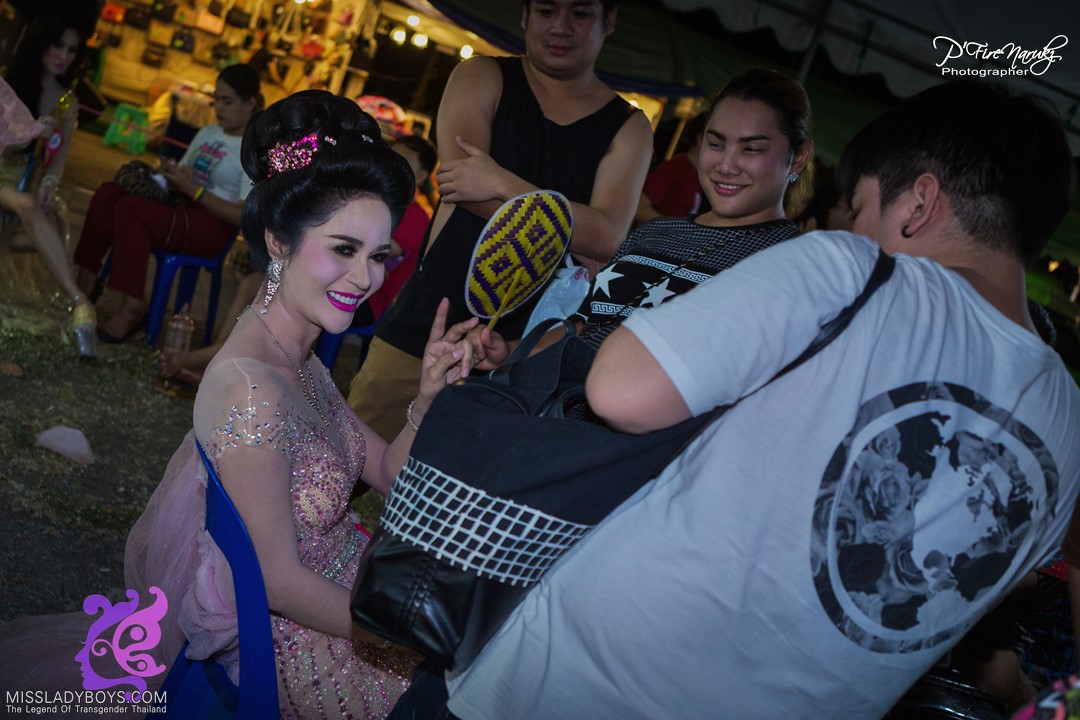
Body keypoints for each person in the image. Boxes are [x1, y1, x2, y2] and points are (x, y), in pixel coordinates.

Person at [400, 79, 1080, 719]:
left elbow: (618, 391)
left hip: (577, 677)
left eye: (863, 209)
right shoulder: (1067, 417)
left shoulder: (849, 271)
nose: (857, 230)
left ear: (918, 202)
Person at [0, 90, 474, 719]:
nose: (366, 279)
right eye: (343, 249)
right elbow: (276, 579)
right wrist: (406, 632)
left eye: (378, 255)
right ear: (278, 241)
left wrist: (427, 398)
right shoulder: (254, 387)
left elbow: (387, 471)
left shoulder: (298, 360)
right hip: (298, 646)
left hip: (349, 596)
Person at [347, 0, 654, 442]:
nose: (560, 26)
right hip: (429, 319)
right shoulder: (482, 76)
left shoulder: (628, 126)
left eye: (580, 13)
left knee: (464, 478)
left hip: (526, 353)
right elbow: (460, 183)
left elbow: (607, 236)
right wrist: (573, 224)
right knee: (356, 458)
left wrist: (500, 180)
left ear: (609, 20)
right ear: (525, 15)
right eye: (546, 10)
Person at [458, 67, 813, 367]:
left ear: (797, 157)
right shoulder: (653, 233)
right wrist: (511, 352)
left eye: (752, 149)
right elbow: (584, 328)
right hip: (550, 415)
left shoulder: (793, 268)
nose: (725, 165)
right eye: (716, 144)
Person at [73, 64, 262, 344]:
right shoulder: (209, 131)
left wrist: (195, 190)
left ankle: (132, 307)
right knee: (108, 193)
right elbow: (184, 174)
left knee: (131, 210)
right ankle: (84, 286)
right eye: (216, 100)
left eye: (227, 101)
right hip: (182, 205)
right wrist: (170, 175)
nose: (219, 108)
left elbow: (243, 215)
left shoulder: (254, 148)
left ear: (250, 103)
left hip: (211, 227)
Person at [0, 13, 93, 356]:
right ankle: (80, 300)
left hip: (25, 186)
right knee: (26, 206)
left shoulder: (67, 101)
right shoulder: (7, 84)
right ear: (40, 43)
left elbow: (59, 159)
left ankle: (78, 304)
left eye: (72, 50)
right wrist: (29, 134)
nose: (63, 56)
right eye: (57, 45)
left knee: (50, 218)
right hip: (2, 177)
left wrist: (49, 183)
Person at [361, 134, 439, 325]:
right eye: (390, 154)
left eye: (402, 160)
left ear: (421, 176)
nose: (391, 163)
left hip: (368, 301)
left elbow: (373, 251)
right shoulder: (375, 198)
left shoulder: (418, 218)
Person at [634, 110, 707, 224]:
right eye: (715, 143)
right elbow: (640, 208)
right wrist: (673, 229)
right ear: (700, 139)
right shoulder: (676, 167)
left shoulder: (697, 174)